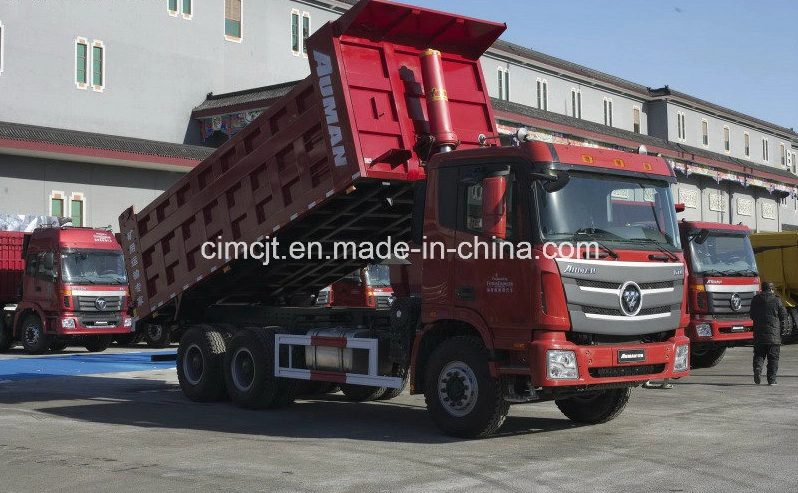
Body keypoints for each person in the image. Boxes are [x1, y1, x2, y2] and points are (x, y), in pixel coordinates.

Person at [748, 281, 787, 385]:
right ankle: (772, 380)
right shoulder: (777, 299)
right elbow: (783, 316)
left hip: (759, 334)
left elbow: (751, 315)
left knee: (759, 354)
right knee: (773, 358)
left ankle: (758, 368)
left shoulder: (755, 299)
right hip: (774, 335)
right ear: (771, 289)